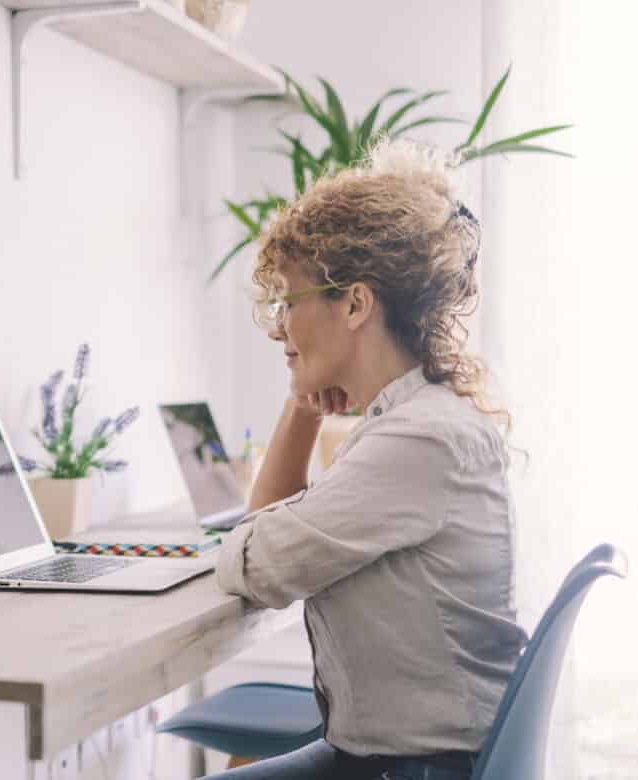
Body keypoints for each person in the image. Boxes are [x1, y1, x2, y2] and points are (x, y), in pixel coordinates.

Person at [210, 140, 527, 780]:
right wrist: (302, 408)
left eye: (290, 301)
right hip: (391, 756)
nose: (279, 329)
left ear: (355, 304)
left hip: (417, 769)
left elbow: (256, 565)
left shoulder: (418, 442)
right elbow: (268, 541)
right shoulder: (412, 423)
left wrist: (255, 536)